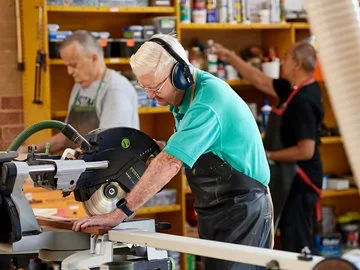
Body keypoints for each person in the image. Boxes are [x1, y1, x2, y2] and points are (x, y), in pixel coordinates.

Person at [73, 34, 273, 270]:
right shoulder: (182, 97)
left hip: (244, 209)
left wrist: (119, 213)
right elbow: (199, 148)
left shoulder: (207, 102)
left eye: (155, 87)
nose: (149, 95)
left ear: (181, 74)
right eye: (144, 87)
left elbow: (170, 162)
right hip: (214, 209)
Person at [212, 42, 324, 253]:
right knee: (286, 237)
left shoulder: (305, 100)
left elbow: (305, 150)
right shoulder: (292, 89)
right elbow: (259, 79)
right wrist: (229, 55)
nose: (282, 61)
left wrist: (268, 155)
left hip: (300, 181)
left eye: (287, 57)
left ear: (297, 63)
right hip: (286, 176)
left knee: (298, 242)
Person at [21, 30, 139, 153]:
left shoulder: (115, 88)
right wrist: (28, 151)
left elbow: (108, 143)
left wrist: (70, 158)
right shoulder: (79, 87)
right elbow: (67, 137)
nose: (69, 72)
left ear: (94, 58)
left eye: (73, 65)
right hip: (85, 165)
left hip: (111, 168)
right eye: (67, 65)